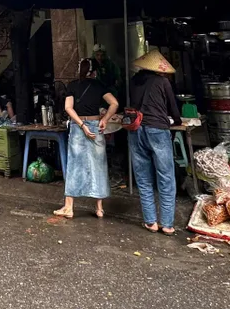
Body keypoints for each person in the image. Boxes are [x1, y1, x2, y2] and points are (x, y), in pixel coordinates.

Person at [127, 49, 183, 235]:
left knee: (143, 178)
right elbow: (172, 106)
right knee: (166, 176)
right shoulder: (162, 82)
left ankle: (150, 221)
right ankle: (167, 224)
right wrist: (178, 121)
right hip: (157, 130)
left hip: (136, 130)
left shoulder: (134, 81)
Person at [55, 58, 118, 219]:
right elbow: (114, 103)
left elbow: (68, 108)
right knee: (98, 165)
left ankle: (69, 207)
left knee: (75, 165)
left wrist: (82, 125)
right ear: (95, 72)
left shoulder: (73, 85)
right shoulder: (99, 85)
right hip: (96, 125)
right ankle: (99, 209)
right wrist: (104, 120)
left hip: (78, 127)